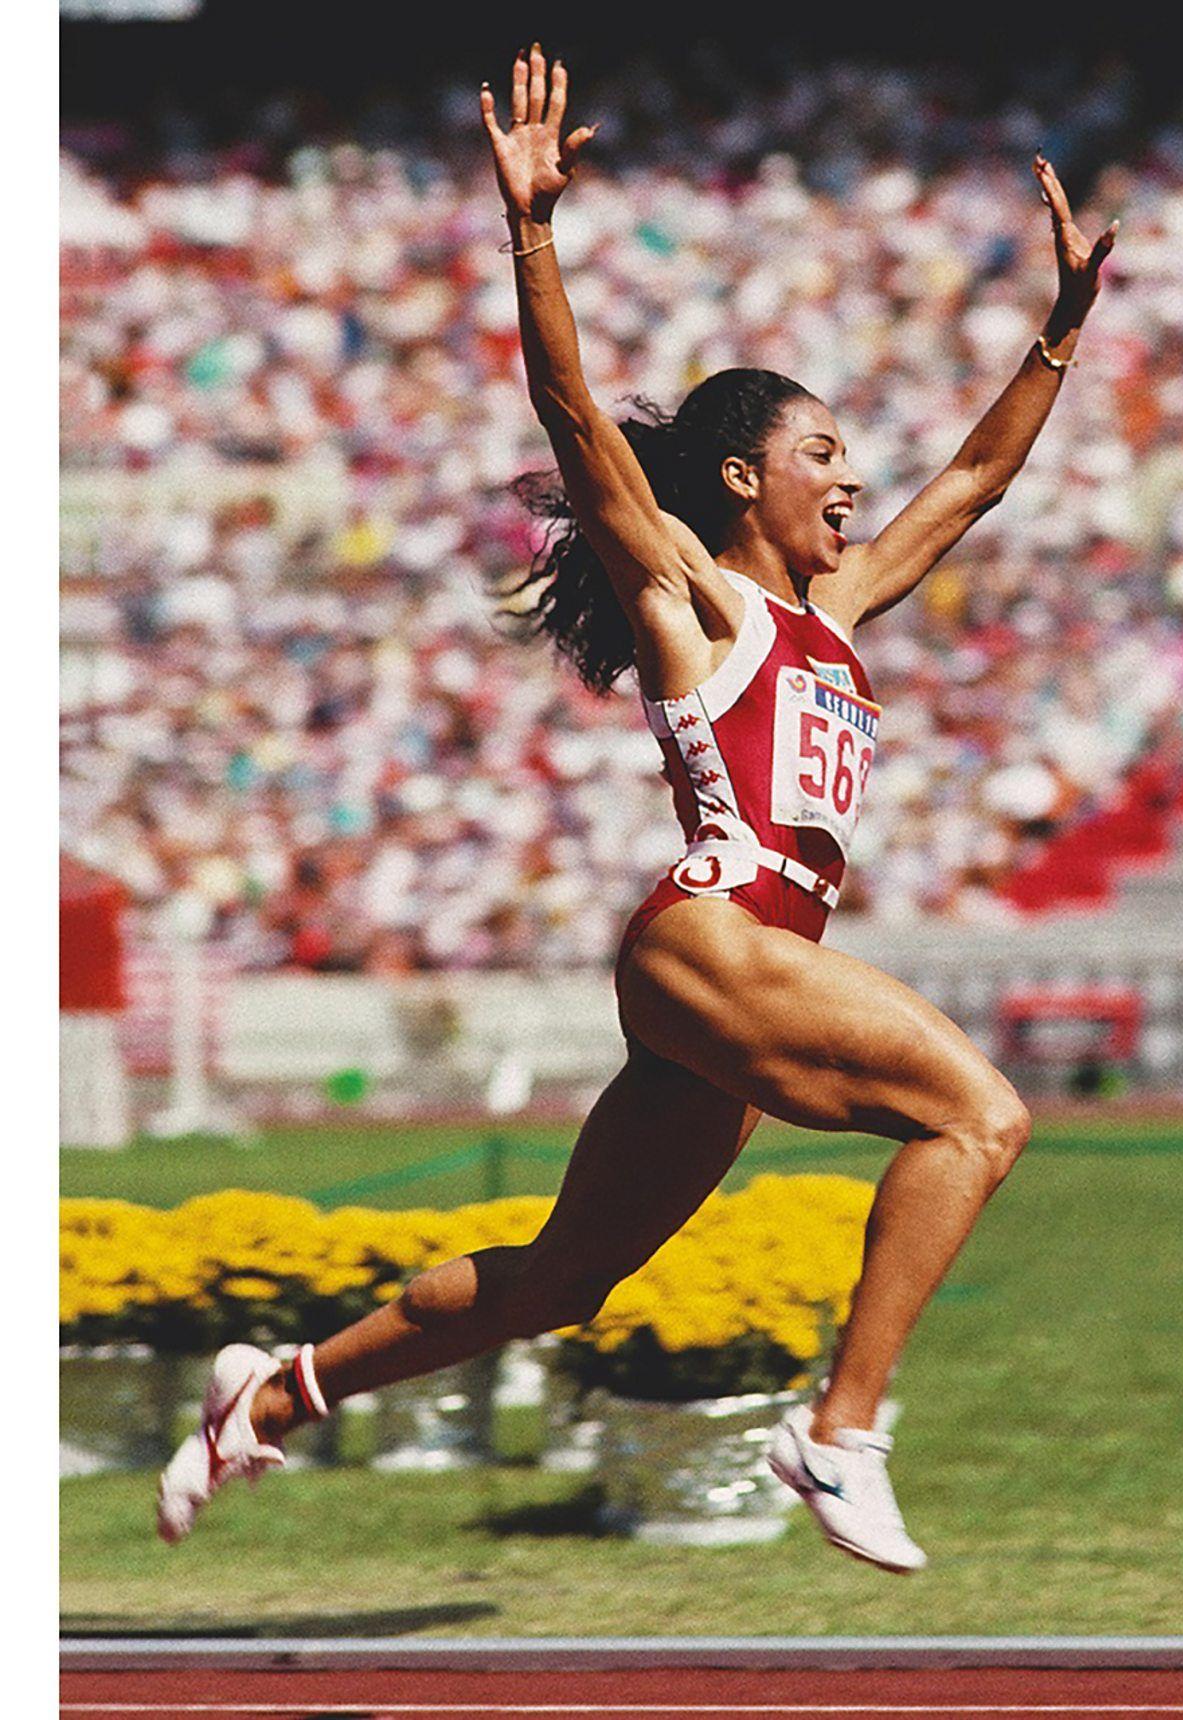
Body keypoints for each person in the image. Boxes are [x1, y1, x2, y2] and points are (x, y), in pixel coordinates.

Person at [158, 46, 1117, 1572]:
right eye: (822, 455)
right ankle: (841, 1430)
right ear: (741, 477)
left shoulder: (842, 607)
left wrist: (1062, 330)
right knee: (978, 1116)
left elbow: (978, 479)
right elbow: (573, 411)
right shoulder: (691, 593)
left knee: (568, 1275)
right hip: (716, 928)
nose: (855, 483)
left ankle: (278, 1391)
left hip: (739, 969)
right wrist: (532, 232)